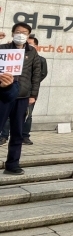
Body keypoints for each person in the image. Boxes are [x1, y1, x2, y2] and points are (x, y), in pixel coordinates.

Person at [0, 23, 42, 174]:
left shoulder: (32, 53)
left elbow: (36, 75)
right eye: (18, 32)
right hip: (3, 95)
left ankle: (12, 164)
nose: (21, 34)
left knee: (17, 132)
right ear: (12, 33)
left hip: (23, 96)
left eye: (24, 32)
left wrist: (33, 95)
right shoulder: (3, 49)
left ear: (28, 35)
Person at [0, 35, 49, 146]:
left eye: (31, 43)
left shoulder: (40, 59)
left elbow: (40, 75)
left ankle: (25, 136)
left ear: (36, 46)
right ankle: (3, 136)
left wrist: (31, 91)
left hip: (26, 93)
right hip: (10, 91)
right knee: (7, 116)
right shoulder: (12, 56)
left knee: (27, 115)